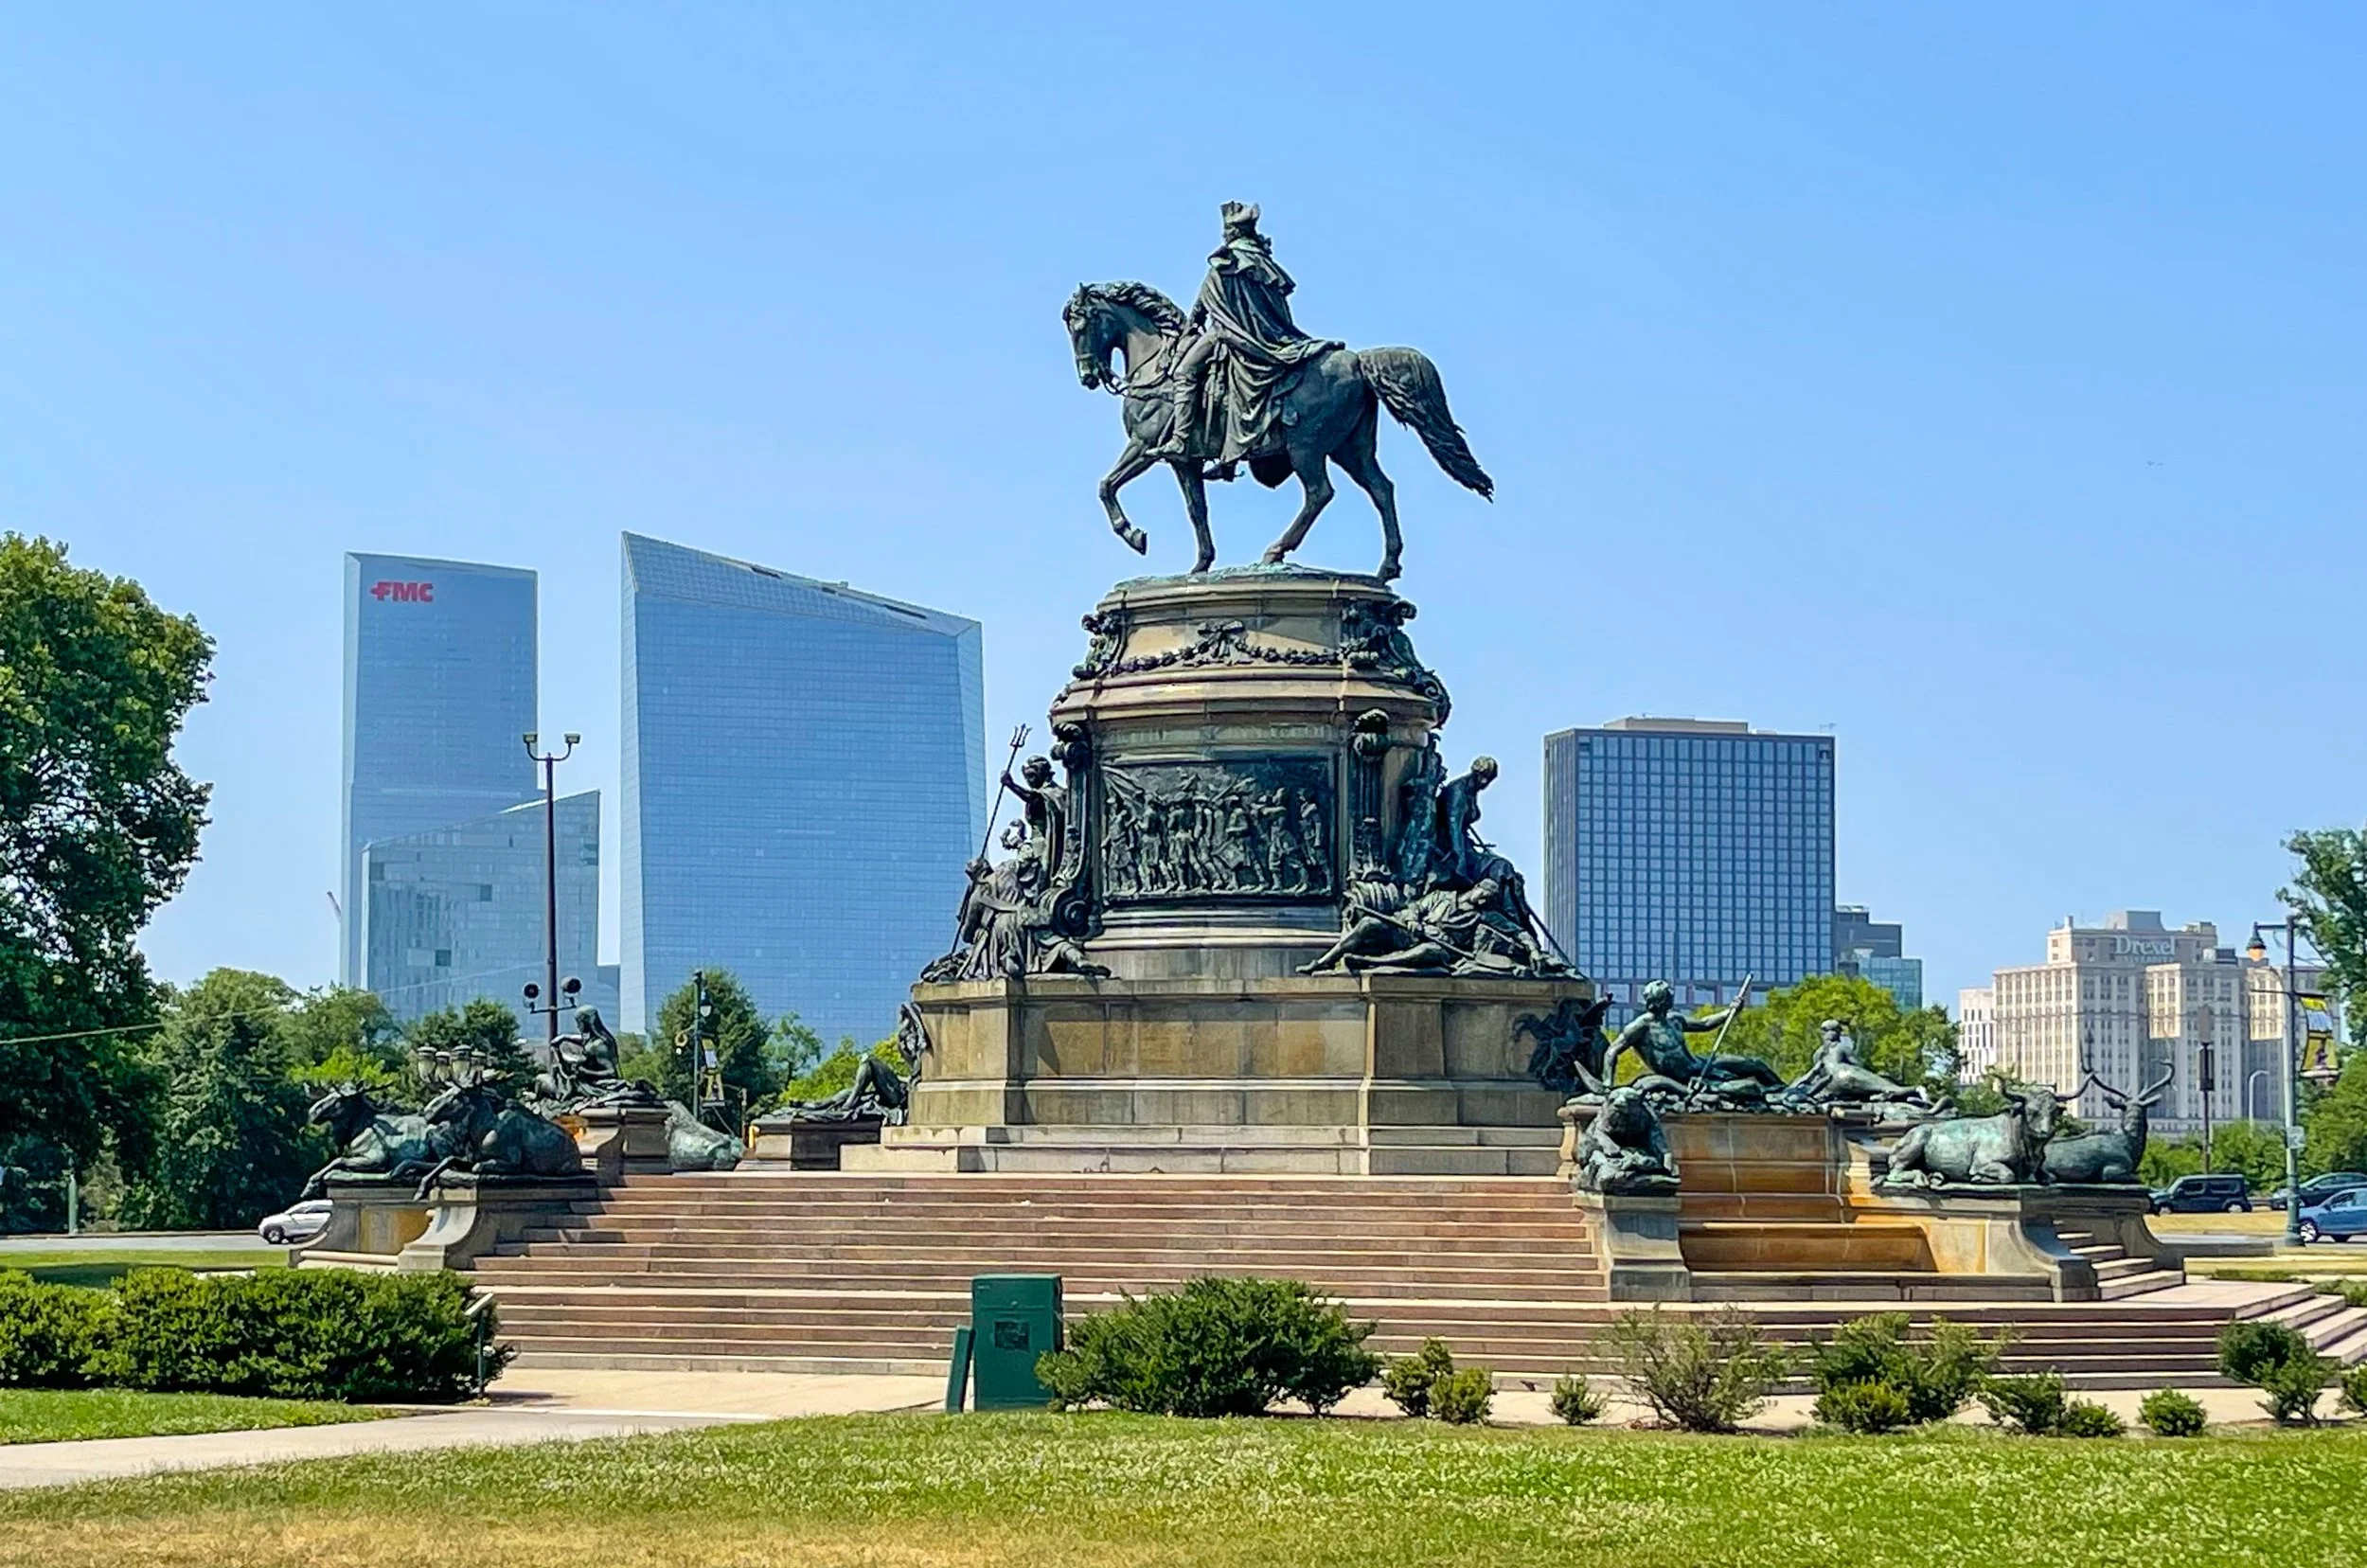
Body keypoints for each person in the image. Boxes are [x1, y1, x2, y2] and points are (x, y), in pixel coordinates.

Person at [1152, 202, 1337, 474]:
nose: (1224, 234)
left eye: (1227, 229)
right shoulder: (1264, 261)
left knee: (1184, 373)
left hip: (1229, 334)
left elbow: (1204, 302)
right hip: (1271, 336)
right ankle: (1226, 456)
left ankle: (1180, 439)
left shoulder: (1224, 262)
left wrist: (1192, 326)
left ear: (1232, 231)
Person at [1601, 981, 1788, 1101]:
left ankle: (1787, 1094)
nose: (1673, 999)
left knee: (1755, 1065)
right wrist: (1607, 1085)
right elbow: (1612, 1051)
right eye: (1670, 996)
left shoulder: (1675, 1019)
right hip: (1685, 1078)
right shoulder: (1640, 1027)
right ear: (1660, 1000)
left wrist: (1731, 1011)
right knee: (1749, 1087)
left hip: (1700, 1063)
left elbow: (1705, 1024)